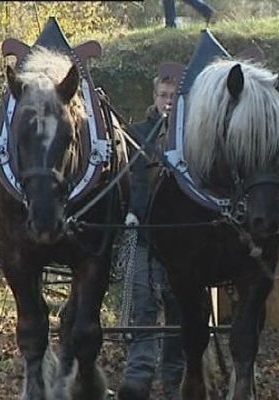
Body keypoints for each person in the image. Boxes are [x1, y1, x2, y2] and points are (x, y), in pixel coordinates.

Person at [116, 74, 184, 400]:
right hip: (143, 232)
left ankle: (176, 377)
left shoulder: (189, 136)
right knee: (142, 304)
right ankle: (138, 375)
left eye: (173, 95)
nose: (168, 100)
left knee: (179, 308)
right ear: (154, 96)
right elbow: (135, 179)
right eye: (163, 94)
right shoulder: (137, 135)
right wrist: (133, 212)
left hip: (180, 237)